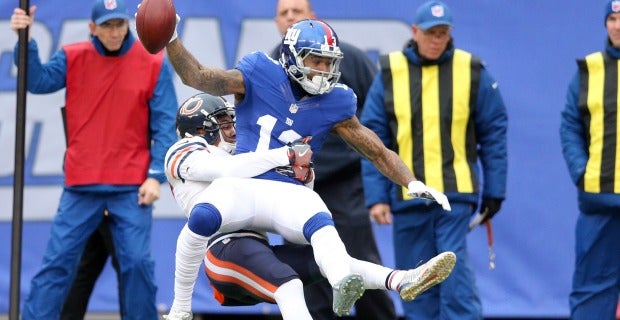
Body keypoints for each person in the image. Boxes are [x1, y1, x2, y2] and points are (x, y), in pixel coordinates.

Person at [162, 15, 455, 320]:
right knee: (209, 211)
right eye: (316, 60)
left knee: (317, 213)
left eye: (329, 63)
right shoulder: (258, 74)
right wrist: (171, 38)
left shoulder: (336, 102)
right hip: (241, 188)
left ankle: (354, 281)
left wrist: (411, 182)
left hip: (284, 193)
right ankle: (180, 307)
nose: (324, 70)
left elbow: (377, 151)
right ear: (291, 57)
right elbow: (198, 77)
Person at [10, 0, 178, 318]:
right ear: (92, 28)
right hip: (80, 185)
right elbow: (38, 82)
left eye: (120, 25)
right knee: (56, 263)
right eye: (107, 26)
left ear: (129, 24)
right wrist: (26, 40)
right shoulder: (73, 56)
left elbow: (165, 125)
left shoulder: (154, 63)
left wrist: (156, 175)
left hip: (131, 187)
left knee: (138, 266)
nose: (114, 32)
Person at [360, 1, 508, 319]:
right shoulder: (390, 71)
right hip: (407, 196)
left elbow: (493, 132)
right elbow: (372, 139)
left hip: (454, 196)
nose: (436, 40)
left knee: (454, 282)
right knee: (414, 284)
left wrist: (495, 190)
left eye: (442, 33)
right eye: (430, 33)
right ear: (415, 32)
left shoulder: (471, 71)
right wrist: (376, 197)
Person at [271, 1, 397, 319]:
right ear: (276, 22)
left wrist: (379, 182)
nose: (289, 17)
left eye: (296, 10)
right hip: (295, 185)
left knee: (358, 262)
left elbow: (381, 119)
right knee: (307, 272)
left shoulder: (350, 58)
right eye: (283, 12)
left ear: (312, 17)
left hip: (345, 181)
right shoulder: (268, 67)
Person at [560, 1, 620, 319]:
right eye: (612, 18)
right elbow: (569, 125)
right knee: (592, 292)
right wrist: (582, 171)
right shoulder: (590, 70)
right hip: (600, 200)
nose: (617, 25)